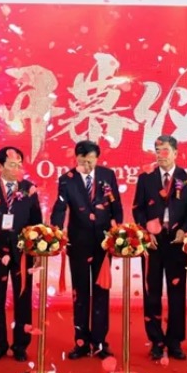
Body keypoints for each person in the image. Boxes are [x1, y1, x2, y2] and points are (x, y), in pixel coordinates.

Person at [132, 135, 187, 361]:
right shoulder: (146, 178)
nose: (160, 155)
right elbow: (137, 209)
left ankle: (174, 341)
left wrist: (185, 230)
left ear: (175, 153)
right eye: (157, 150)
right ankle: (156, 341)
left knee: (176, 294)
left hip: (176, 242)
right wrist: (146, 231)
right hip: (153, 242)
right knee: (151, 292)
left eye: (164, 150)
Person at [50, 140, 123, 360]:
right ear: (76, 158)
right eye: (83, 161)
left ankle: (100, 342)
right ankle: (81, 342)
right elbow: (60, 208)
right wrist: (55, 231)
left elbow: (116, 206)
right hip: (78, 243)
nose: (87, 165)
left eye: (91, 160)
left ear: (97, 158)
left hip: (103, 243)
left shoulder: (107, 175)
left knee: (101, 292)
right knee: (80, 294)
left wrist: (118, 231)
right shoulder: (67, 179)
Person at [0, 146, 43, 362]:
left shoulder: (29, 188)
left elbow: (37, 222)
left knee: (23, 298)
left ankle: (20, 345)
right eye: (12, 164)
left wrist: (36, 250)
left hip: (23, 253)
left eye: (19, 164)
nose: (17, 168)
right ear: (0, 166)